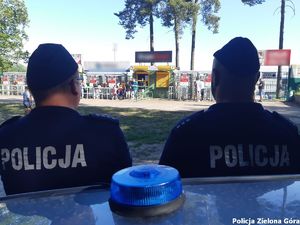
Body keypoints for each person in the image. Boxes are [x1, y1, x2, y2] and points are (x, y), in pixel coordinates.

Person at [0, 44, 132, 195]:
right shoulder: (106, 133)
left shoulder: (6, 135)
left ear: (31, 90)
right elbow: (126, 191)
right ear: (73, 86)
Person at [159, 37, 300, 178]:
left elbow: (163, 190)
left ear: (215, 77)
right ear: (257, 78)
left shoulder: (186, 135)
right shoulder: (288, 133)